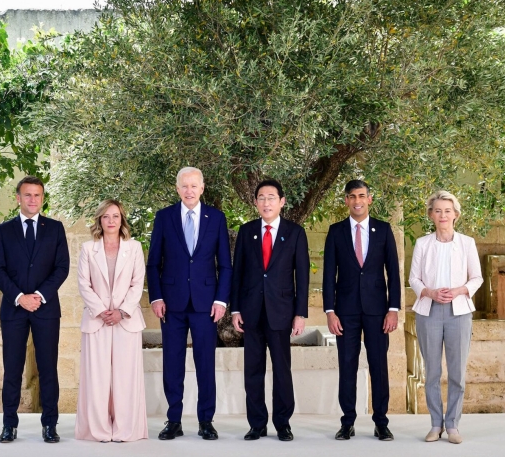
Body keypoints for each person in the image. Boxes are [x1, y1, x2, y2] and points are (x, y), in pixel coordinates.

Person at [146, 167, 232, 441]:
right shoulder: (164, 217)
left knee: (205, 363)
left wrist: (221, 299)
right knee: (173, 363)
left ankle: (206, 420)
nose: (189, 190)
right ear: (177, 188)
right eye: (184, 186)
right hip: (171, 305)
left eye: (194, 186)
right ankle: (174, 420)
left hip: (206, 305)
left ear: (202, 188)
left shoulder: (216, 218)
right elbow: (153, 263)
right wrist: (156, 297)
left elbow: (225, 266)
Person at [0, 176, 70, 444]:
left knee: (48, 368)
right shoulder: (4, 230)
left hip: (46, 308)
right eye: (27, 195)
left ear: (42, 198)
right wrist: (19, 297)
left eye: (37, 195)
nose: (32, 200)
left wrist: (38, 295)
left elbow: (62, 268)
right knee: (12, 368)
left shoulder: (56, 229)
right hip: (14, 309)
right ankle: (9, 425)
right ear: (18, 198)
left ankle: (49, 424)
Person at [230, 180, 309, 442]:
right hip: (251, 312)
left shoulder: (295, 233)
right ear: (255, 202)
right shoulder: (246, 231)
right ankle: (257, 424)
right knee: (252, 370)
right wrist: (236, 309)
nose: (266, 202)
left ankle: (283, 423)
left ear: (282, 201)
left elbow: (303, 277)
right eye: (261, 198)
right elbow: (238, 274)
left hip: (281, 312)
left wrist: (300, 314)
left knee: (282, 370)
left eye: (271, 197)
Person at [322, 179, 400, 441]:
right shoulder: (335, 232)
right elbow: (328, 275)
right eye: (352, 196)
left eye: (362, 196)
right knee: (347, 366)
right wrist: (330, 312)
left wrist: (393, 309)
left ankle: (381, 422)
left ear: (370, 199)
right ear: (346, 200)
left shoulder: (384, 229)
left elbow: (394, 273)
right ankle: (347, 422)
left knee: (379, 366)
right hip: (345, 312)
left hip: (378, 312)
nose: (357, 201)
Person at [409, 191, 482, 444]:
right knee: (431, 371)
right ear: (431, 215)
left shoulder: (467, 243)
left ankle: (452, 425)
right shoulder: (422, 243)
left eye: (447, 211)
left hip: (459, 313)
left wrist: (460, 290)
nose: (443, 215)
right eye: (437, 211)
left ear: (456, 215)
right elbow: (414, 278)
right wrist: (428, 292)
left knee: (456, 372)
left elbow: (477, 278)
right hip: (428, 312)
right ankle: (435, 424)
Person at [74, 200, 148, 442]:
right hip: (97, 321)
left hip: (126, 321)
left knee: (126, 377)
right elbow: (83, 284)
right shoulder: (88, 248)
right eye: (106, 216)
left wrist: (122, 311)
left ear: (122, 219)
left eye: (115, 216)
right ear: (99, 220)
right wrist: (102, 310)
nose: (111, 221)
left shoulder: (134, 247)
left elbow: (138, 283)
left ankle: (127, 429)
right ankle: (98, 430)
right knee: (97, 378)